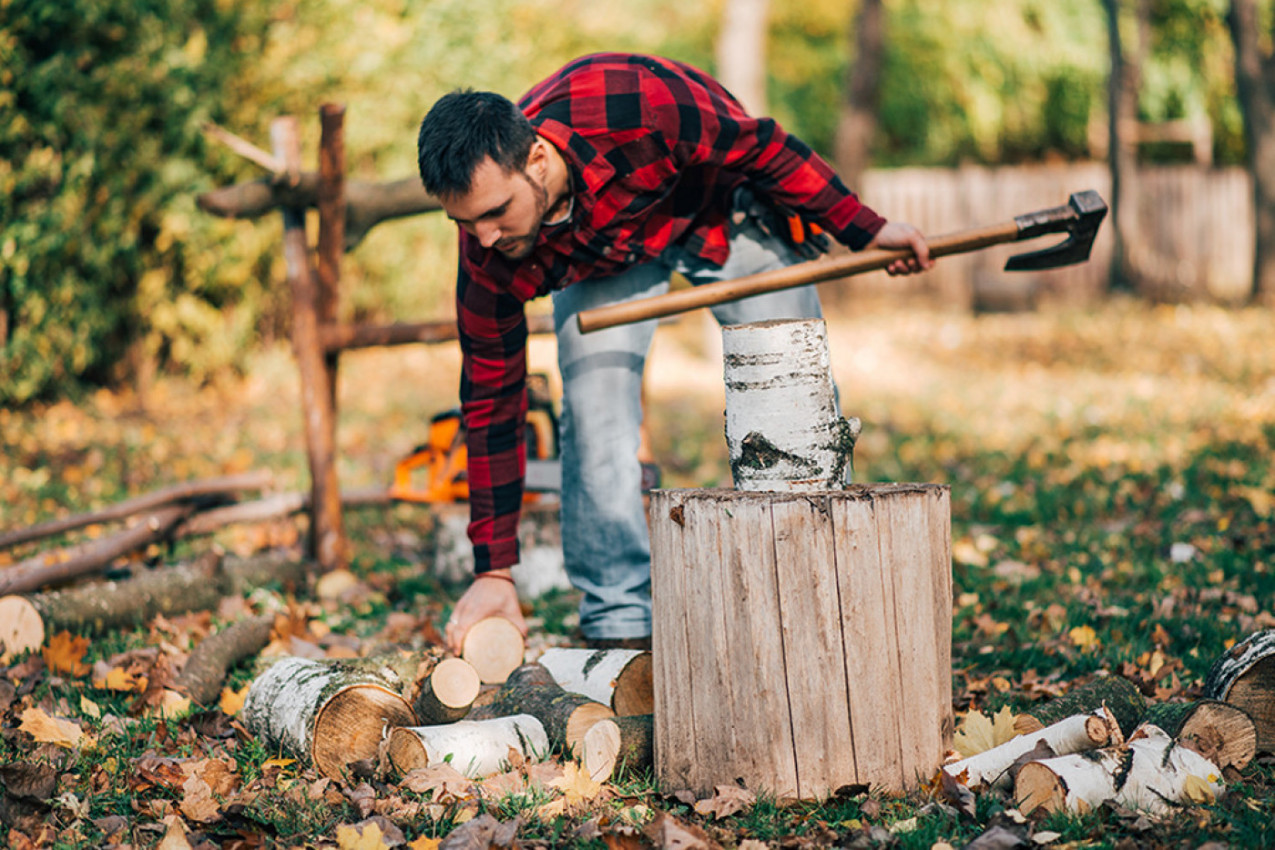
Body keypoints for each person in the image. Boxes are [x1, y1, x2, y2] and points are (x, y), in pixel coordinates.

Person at [416, 53, 932, 655]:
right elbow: (490, 403)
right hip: (606, 261)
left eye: (495, 213)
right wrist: (493, 571)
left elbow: (762, 147)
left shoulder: (640, 106)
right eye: (464, 222)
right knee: (595, 409)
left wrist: (864, 227)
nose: (481, 238)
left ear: (535, 160)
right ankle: (618, 626)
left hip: (716, 210)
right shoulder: (488, 250)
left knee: (794, 385)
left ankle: (825, 585)